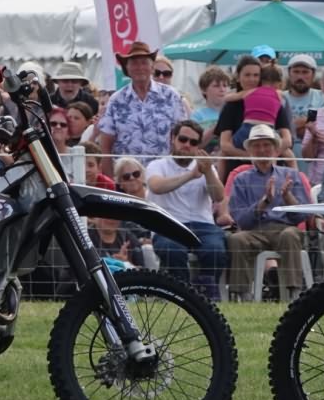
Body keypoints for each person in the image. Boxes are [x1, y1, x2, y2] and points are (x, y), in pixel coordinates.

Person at [225, 125, 313, 301]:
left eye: (266, 145)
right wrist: (264, 202)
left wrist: (287, 197)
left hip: (284, 228)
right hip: (255, 231)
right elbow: (241, 219)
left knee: (290, 235)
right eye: (257, 146)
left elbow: (303, 214)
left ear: (275, 149)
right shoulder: (241, 179)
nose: (262, 150)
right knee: (236, 239)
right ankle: (243, 296)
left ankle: (293, 295)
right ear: (250, 150)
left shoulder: (291, 175)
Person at [145, 119, 229, 296]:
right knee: (172, 251)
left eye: (193, 142)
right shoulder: (157, 165)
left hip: (203, 226)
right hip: (167, 224)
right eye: (183, 139)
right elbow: (156, 186)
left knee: (215, 250)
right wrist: (190, 175)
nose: (187, 145)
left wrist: (208, 172)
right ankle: (183, 295)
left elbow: (219, 196)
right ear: (173, 139)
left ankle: (207, 295)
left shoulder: (205, 167)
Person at [92, 41, 189, 180]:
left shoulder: (171, 96)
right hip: (127, 179)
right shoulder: (116, 100)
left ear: (152, 67)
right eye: (134, 63)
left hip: (163, 178)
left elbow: (182, 139)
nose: (139, 67)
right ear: (127, 68)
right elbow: (105, 145)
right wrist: (111, 183)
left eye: (144, 62)